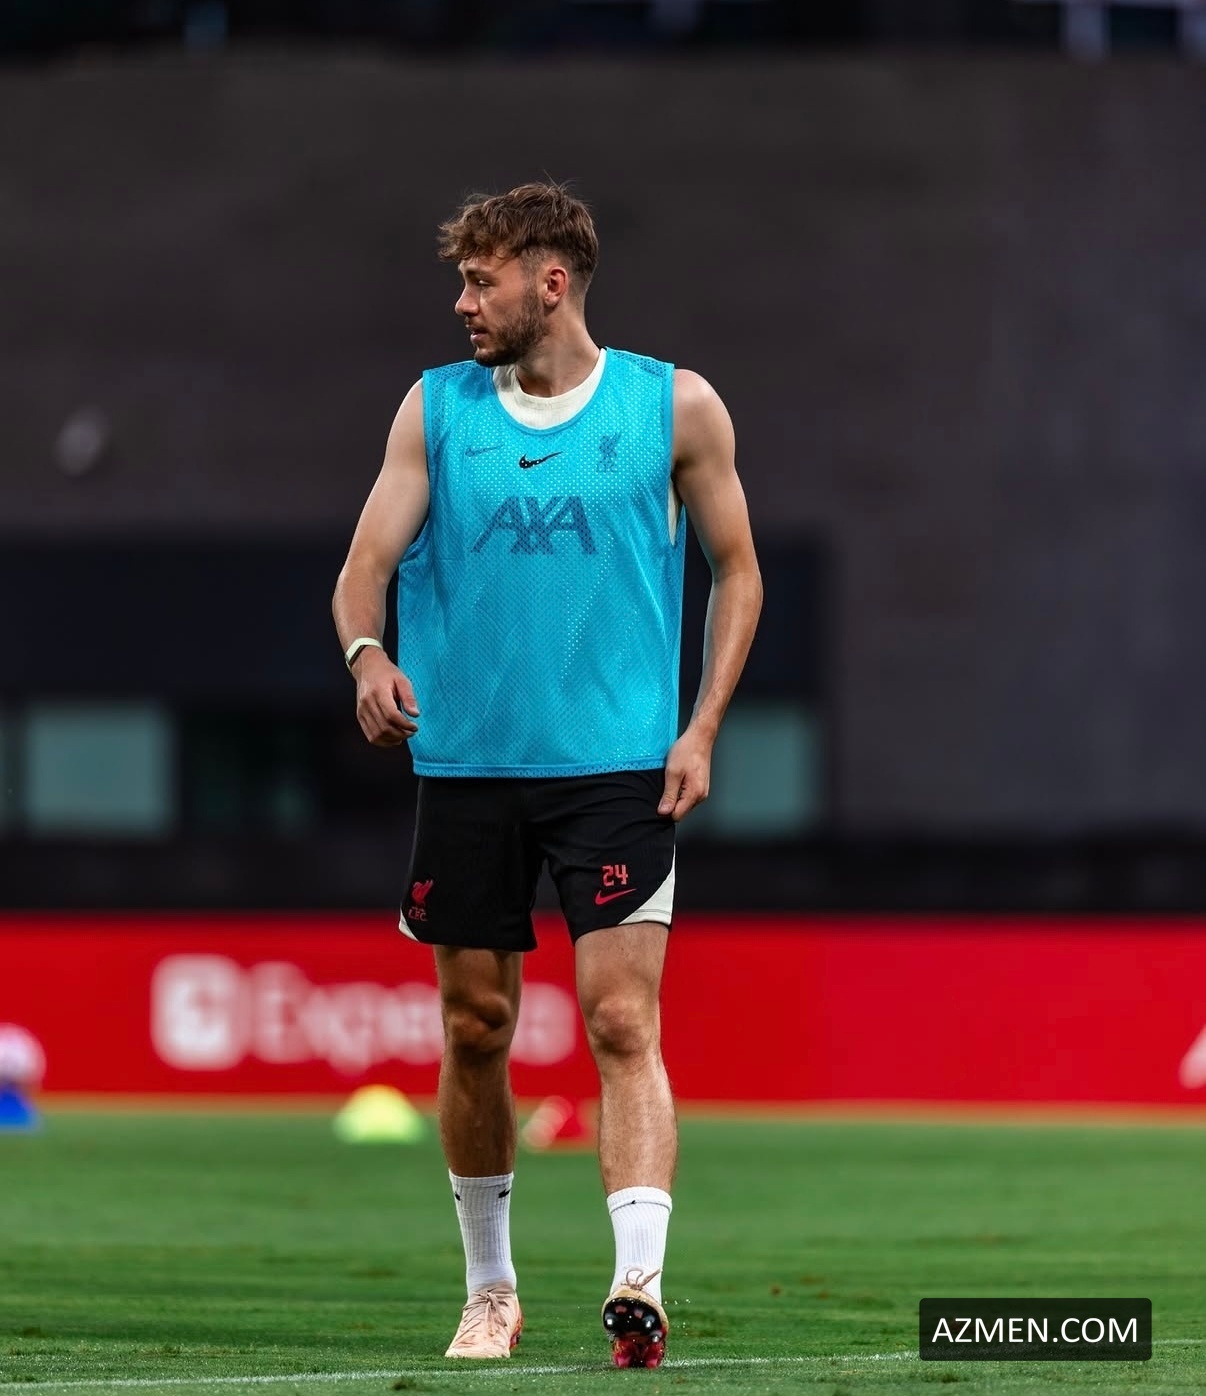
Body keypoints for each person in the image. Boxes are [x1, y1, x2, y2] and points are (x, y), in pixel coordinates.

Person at [332, 181, 762, 1369]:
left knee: (622, 1020)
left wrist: (702, 727)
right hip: (467, 765)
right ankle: (491, 1292)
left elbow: (738, 570)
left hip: (616, 770)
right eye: (463, 283)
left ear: (551, 281)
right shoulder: (433, 411)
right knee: (476, 1027)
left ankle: (639, 1282)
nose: (464, 303)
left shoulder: (673, 406)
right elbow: (363, 569)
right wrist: (367, 655)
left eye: (483, 281)